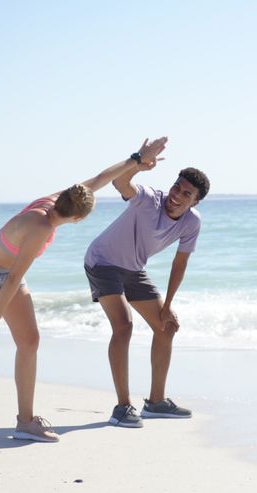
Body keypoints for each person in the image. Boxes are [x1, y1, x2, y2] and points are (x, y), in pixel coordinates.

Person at [0, 137, 168, 453]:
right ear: (79, 219)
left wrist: (136, 158)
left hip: (4, 274)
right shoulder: (40, 229)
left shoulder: (59, 199)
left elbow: (100, 179)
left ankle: (25, 421)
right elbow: (13, 279)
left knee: (30, 341)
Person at [84, 152, 210, 428]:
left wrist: (167, 306)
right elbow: (121, 184)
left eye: (186, 194)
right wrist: (137, 165)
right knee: (123, 326)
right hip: (102, 261)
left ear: (195, 202)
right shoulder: (149, 199)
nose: (177, 195)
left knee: (167, 326)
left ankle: (155, 402)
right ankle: (122, 407)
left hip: (133, 269)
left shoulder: (192, 222)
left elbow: (180, 263)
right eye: (177, 187)